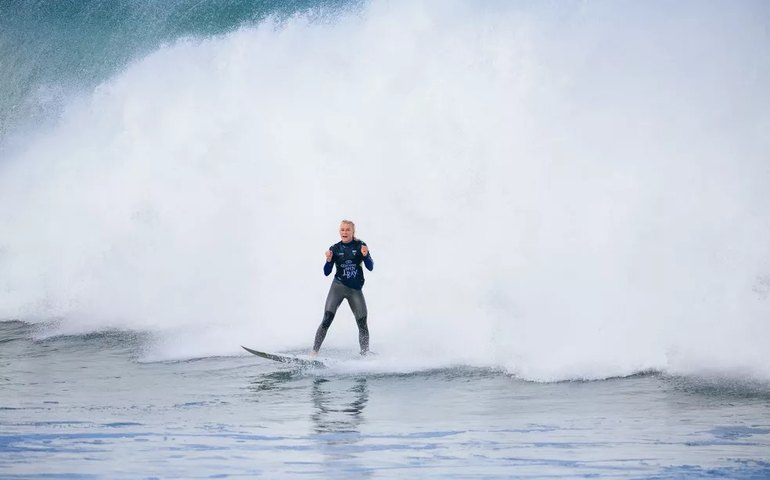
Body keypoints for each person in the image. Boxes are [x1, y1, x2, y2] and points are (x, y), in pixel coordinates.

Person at [312, 220, 374, 356]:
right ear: (339, 231)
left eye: (347, 230)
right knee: (327, 318)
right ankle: (314, 352)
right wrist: (328, 260)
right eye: (342, 229)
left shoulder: (360, 245)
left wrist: (365, 255)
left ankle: (365, 353)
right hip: (338, 287)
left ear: (353, 232)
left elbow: (370, 267)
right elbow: (326, 272)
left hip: (355, 290)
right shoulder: (335, 248)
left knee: (362, 323)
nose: (344, 232)